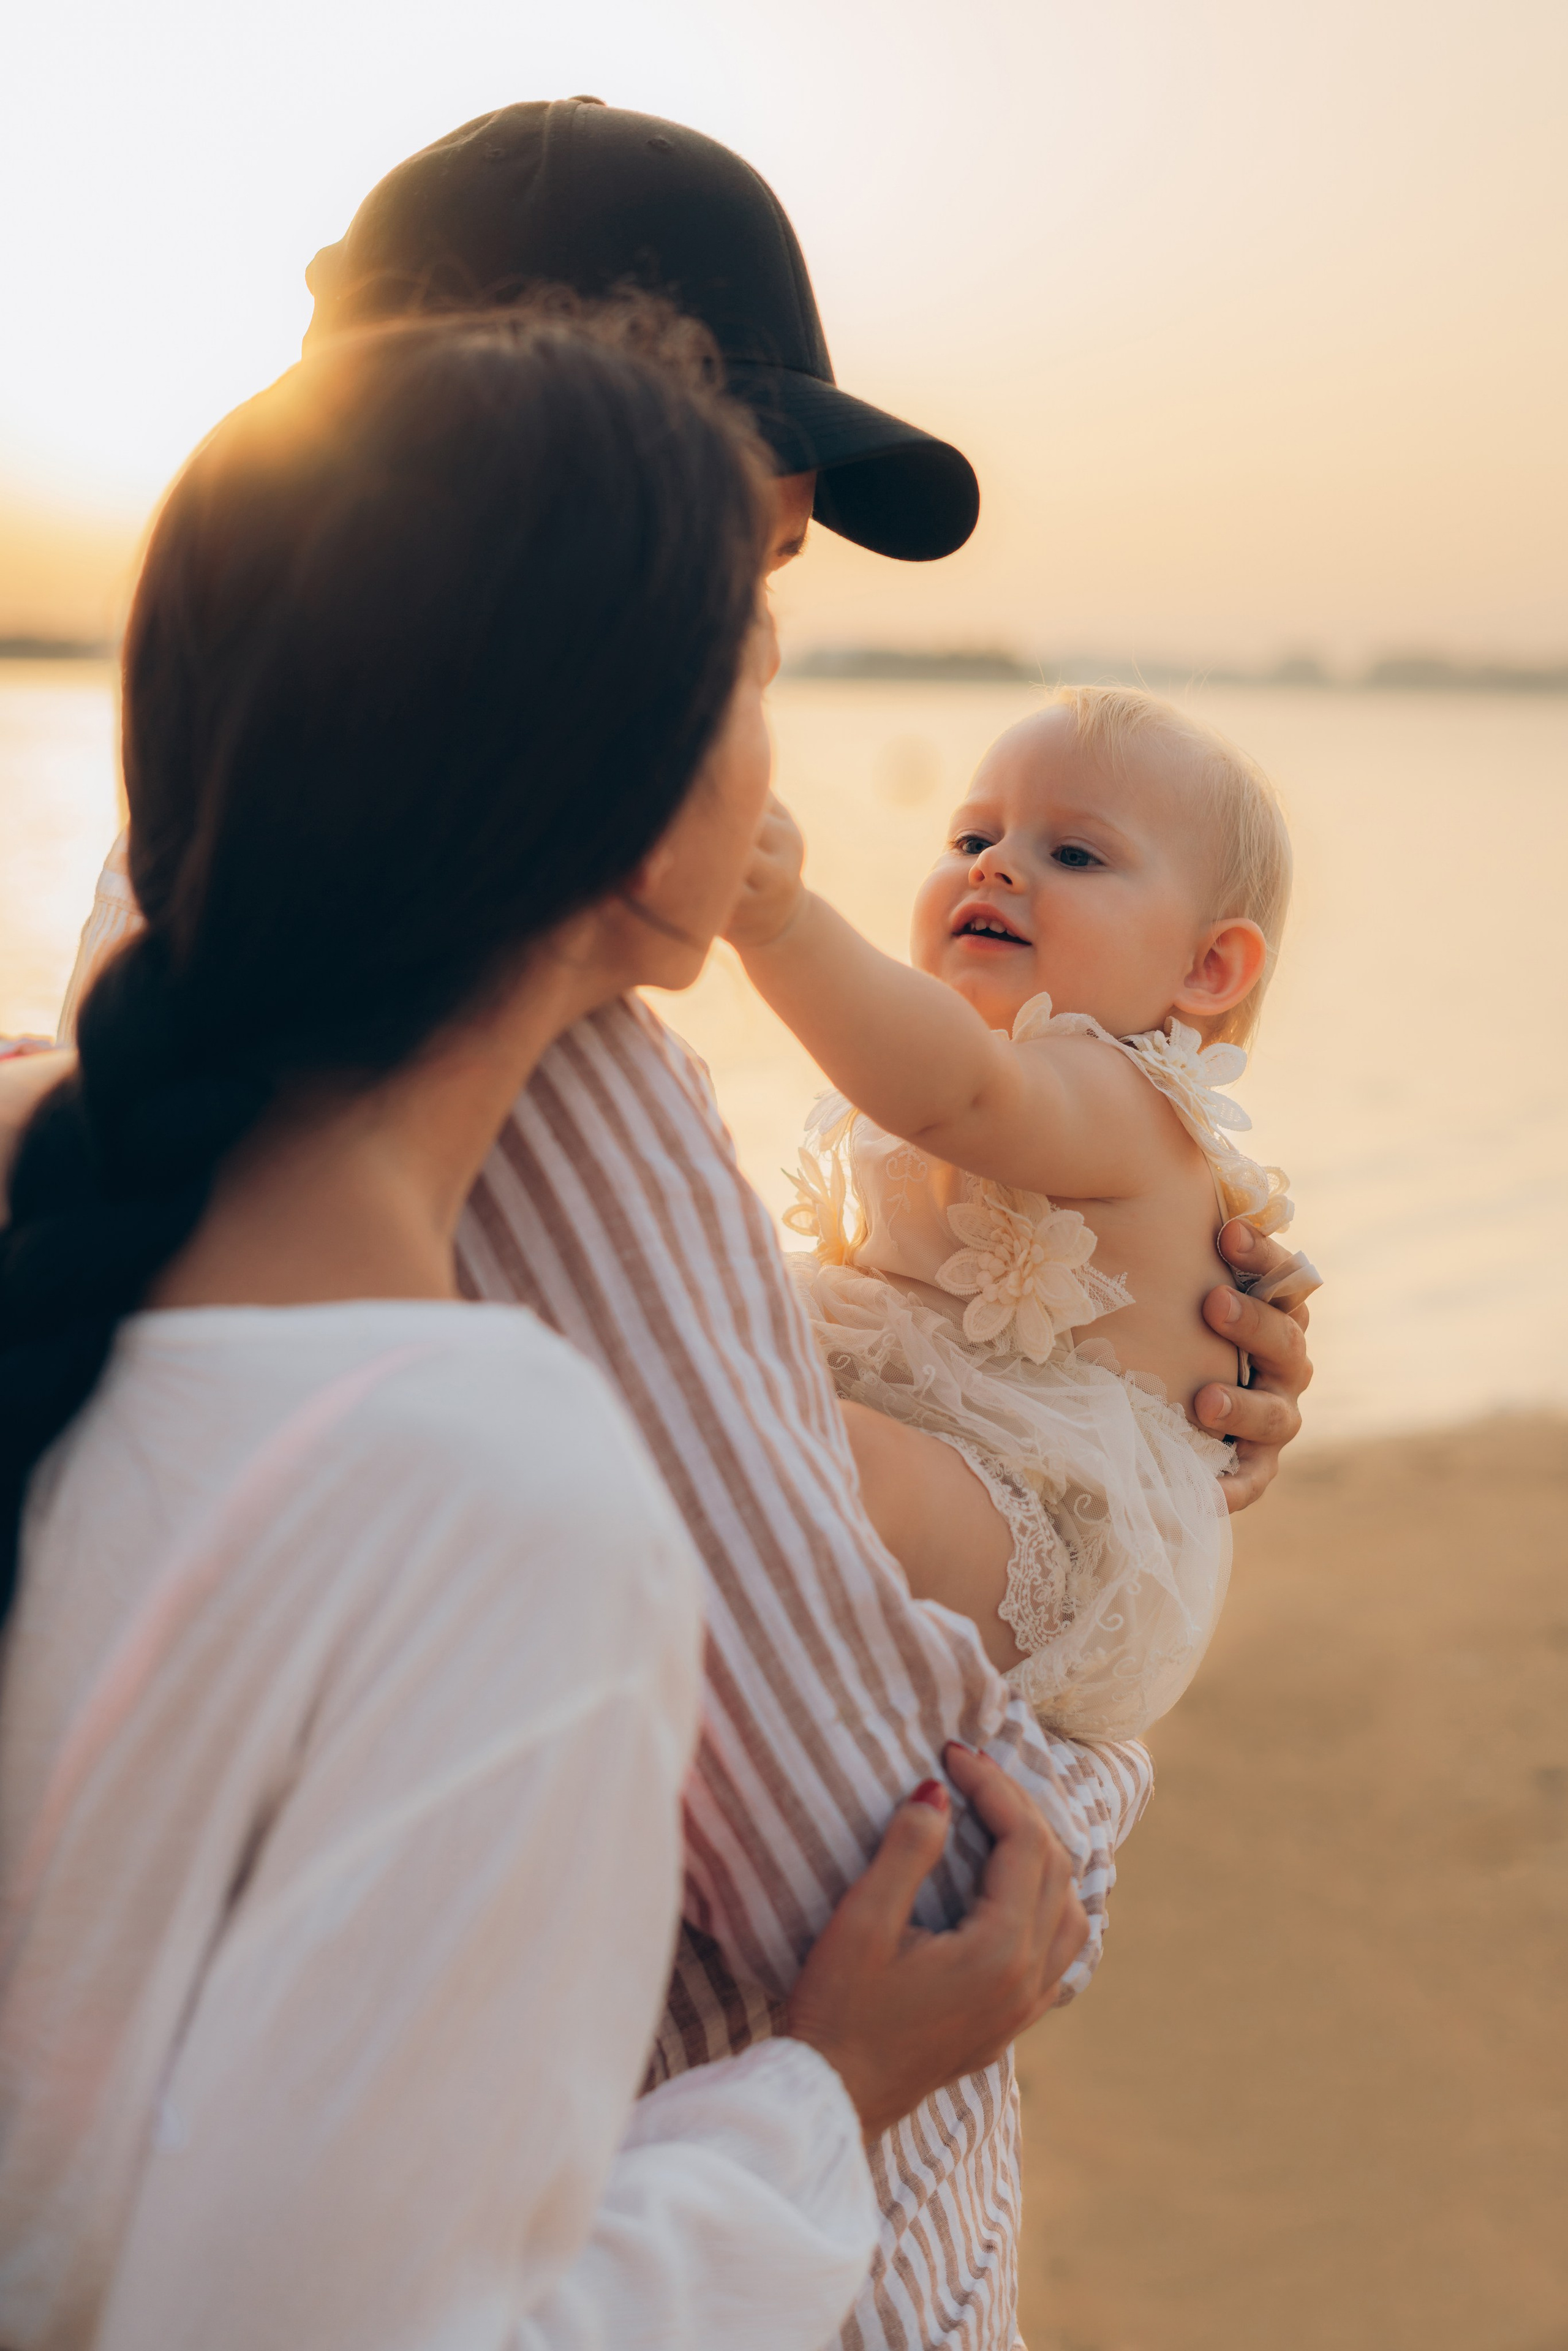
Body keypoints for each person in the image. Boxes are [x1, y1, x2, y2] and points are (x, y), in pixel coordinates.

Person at [12, 100, 1313, 2349]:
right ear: (551, 679)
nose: (784, 730)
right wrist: (1108, 1679)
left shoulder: (150, 1009)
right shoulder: (515, 1311)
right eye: (749, 609)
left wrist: (1094, 1360)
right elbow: (869, 1828)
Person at [727, 687, 1322, 1740]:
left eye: (1076, 856)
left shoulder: (1117, 1092)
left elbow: (961, 1095)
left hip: (1063, 1523)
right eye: (972, 835)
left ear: (1207, 967)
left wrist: (780, 923)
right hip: (949, 1450)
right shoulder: (990, 1072)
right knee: (763, 1396)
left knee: (824, 1455)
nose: (995, 865)